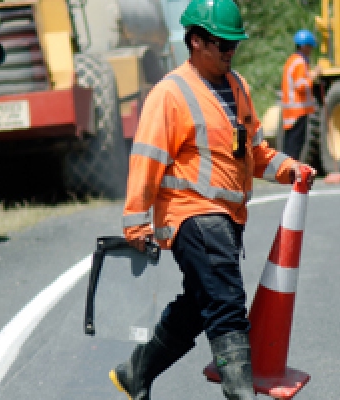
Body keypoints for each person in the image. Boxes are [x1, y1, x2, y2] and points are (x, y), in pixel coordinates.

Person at [111, 1, 316, 399]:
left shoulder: (238, 88)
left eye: (233, 44)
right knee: (226, 303)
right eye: (221, 44)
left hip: (227, 218)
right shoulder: (170, 94)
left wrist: (290, 168)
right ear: (195, 41)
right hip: (191, 215)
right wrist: (136, 222)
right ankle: (240, 394)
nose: (229, 52)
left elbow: (254, 153)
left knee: (198, 303)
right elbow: (146, 158)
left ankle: (135, 373)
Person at [280, 29, 321, 161]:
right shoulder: (299, 62)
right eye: (309, 47)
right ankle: (290, 175)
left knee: (291, 144)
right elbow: (300, 86)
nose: (310, 50)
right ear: (303, 46)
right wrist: (313, 77)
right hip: (297, 111)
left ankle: (288, 173)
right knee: (294, 146)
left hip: (293, 111)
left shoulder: (294, 60)